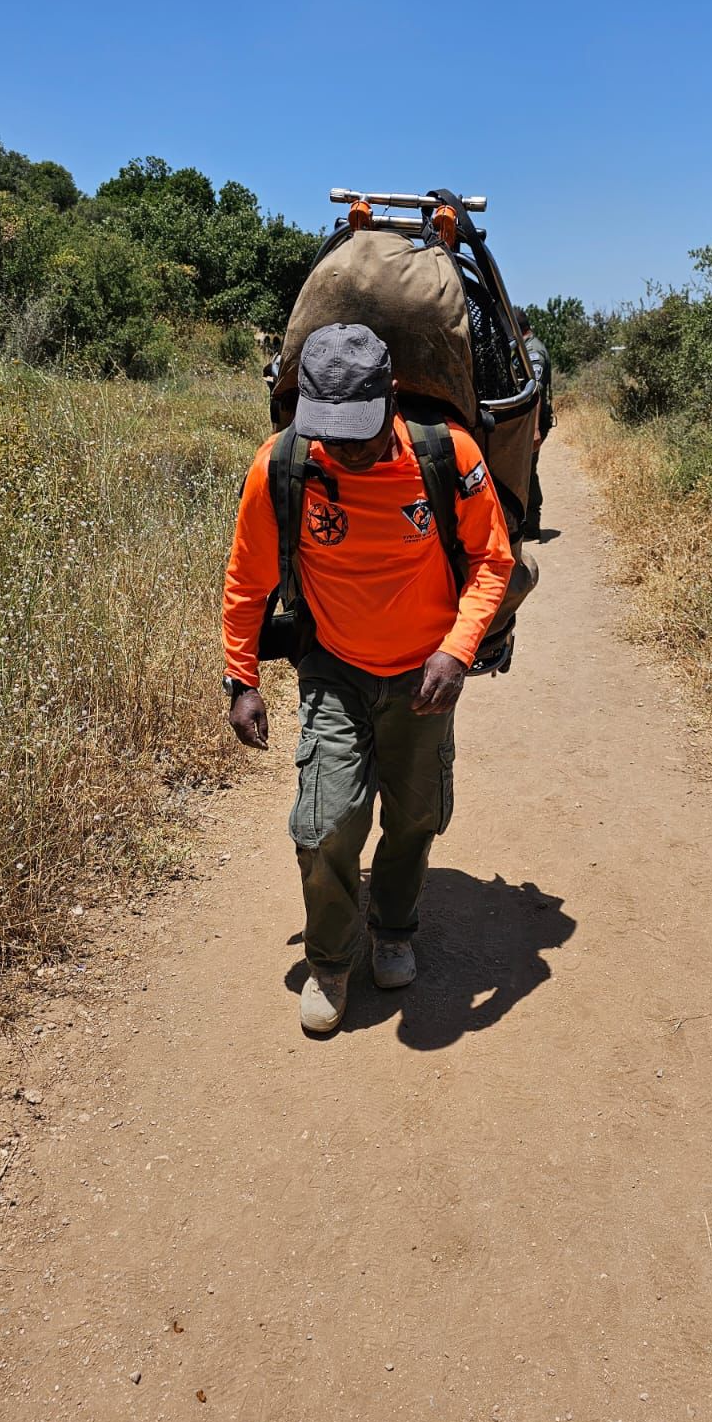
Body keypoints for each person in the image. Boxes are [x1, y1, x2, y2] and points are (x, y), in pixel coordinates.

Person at [222, 323, 514, 1034]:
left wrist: (457, 649)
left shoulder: (449, 455)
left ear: (390, 394)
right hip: (334, 667)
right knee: (325, 826)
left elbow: (491, 560)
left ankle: (393, 929)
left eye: (359, 429)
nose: (345, 448)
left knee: (415, 816)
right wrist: (242, 679)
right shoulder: (283, 466)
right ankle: (329, 959)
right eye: (331, 429)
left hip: (426, 674)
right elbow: (247, 580)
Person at [516, 307, 553, 541]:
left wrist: (535, 430)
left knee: (528, 472)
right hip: (527, 422)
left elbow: (535, 391)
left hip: (533, 423)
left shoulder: (533, 351)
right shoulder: (524, 349)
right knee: (524, 471)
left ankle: (531, 525)